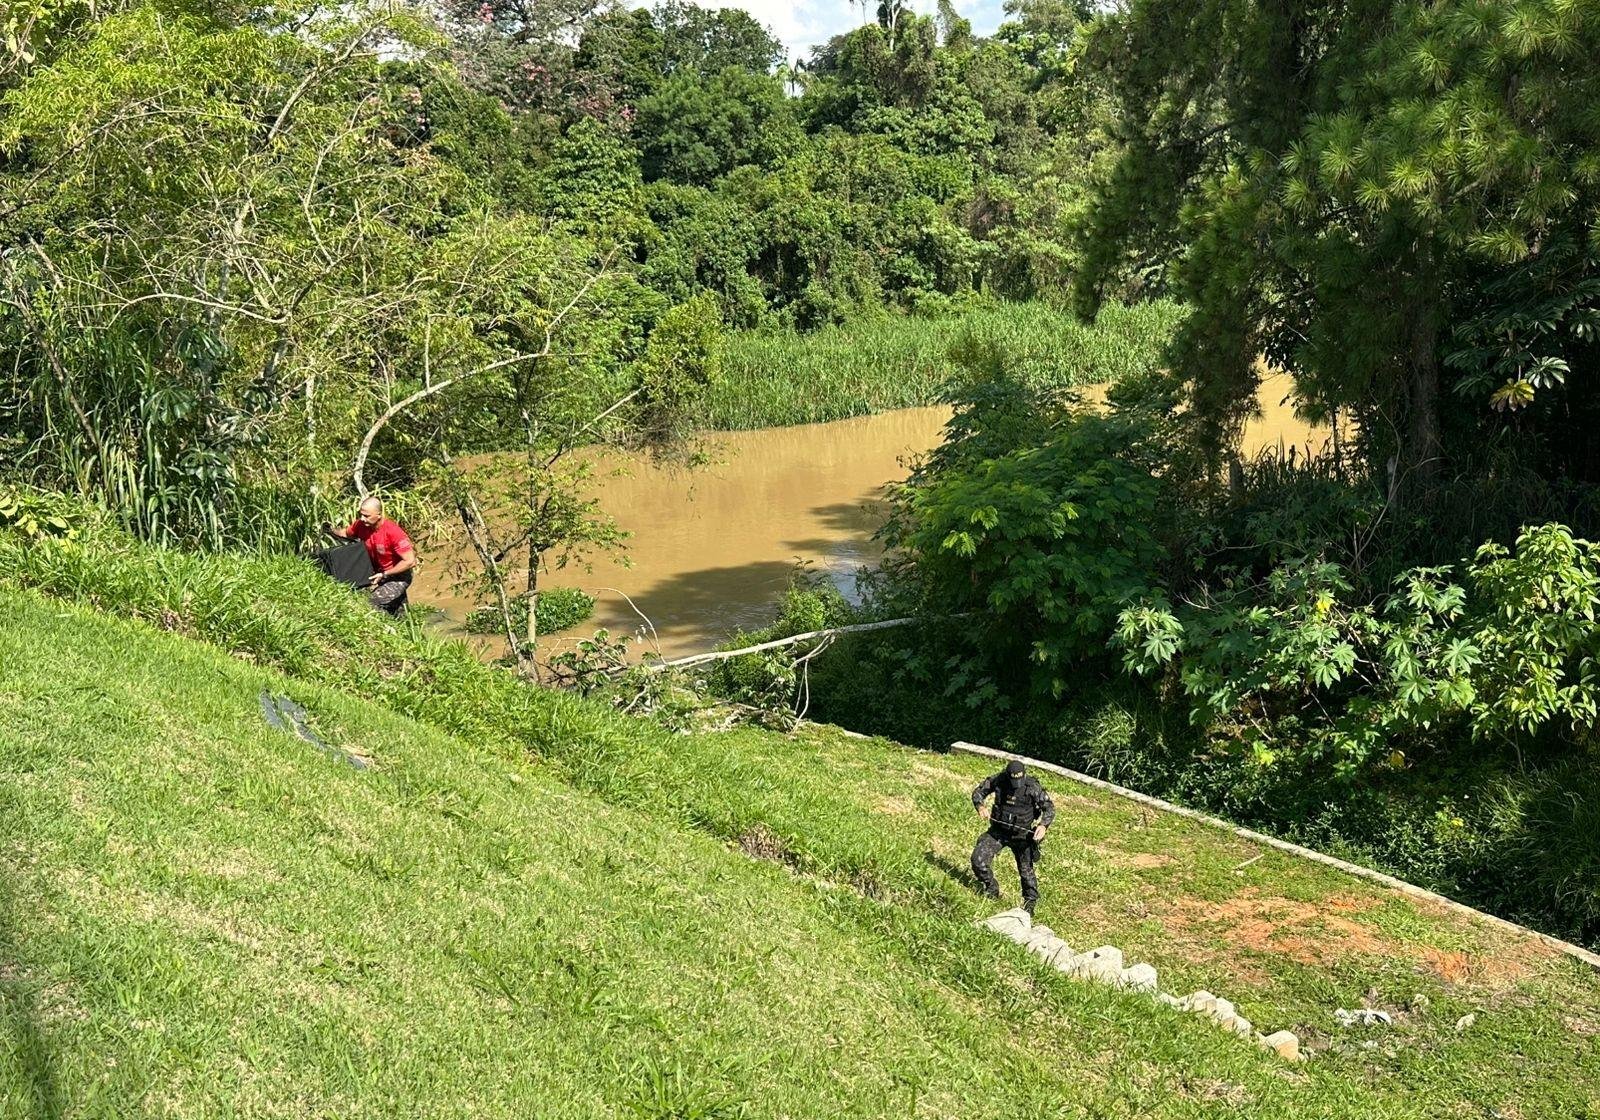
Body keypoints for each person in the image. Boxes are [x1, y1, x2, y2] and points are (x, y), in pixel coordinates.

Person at [970, 759, 1055, 915]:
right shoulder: (999, 780)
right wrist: (980, 806)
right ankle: (991, 888)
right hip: (998, 831)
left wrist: (1043, 826)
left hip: (1022, 836)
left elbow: (1049, 808)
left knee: (1026, 872)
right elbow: (978, 792)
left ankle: (1030, 904)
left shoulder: (1032, 787)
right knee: (978, 860)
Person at [324, 497, 416, 614]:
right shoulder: (361, 525)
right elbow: (345, 533)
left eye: (367, 516)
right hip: (378, 575)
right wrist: (331, 530)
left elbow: (410, 561)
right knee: (400, 614)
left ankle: (384, 629)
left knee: (371, 603)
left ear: (379, 515)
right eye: (361, 514)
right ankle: (407, 628)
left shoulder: (393, 532)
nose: (362, 519)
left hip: (398, 577)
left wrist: (384, 574)